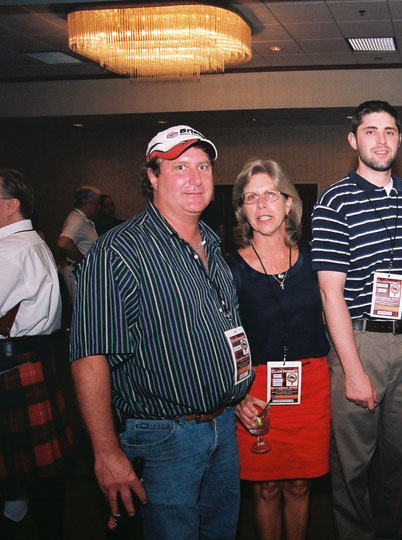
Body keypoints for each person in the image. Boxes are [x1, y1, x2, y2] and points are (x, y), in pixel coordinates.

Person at [70, 125, 254, 540]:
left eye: (203, 167)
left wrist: (236, 390)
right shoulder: (119, 250)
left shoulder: (211, 242)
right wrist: (106, 451)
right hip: (164, 439)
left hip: (222, 428)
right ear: (152, 176)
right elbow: (89, 356)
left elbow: (219, 330)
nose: (196, 178)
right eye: (180, 167)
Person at [311, 100, 402, 540]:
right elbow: (331, 294)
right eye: (370, 131)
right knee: (353, 460)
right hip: (359, 341)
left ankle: (391, 530)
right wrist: (352, 370)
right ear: (353, 139)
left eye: (389, 131)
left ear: (400, 139)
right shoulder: (333, 201)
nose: (381, 141)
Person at [228, 158, 330, 540]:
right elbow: (222, 338)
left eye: (270, 194)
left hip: (312, 387)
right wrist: (237, 395)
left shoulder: (315, 258)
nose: (261, 205)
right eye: (251, 197)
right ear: (242, 209)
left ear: (288, 203)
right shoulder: (229, 268)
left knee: (301, 485)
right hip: (255, 389)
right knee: (266, 487)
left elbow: (347, 301)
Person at [0, 168, 72, 539]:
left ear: (10, 205)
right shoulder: (32, 241)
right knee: (39, 472)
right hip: (32, 361)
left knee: (29, 470)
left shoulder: (11, 250)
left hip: (12, 366)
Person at [57, 185, 100, 302]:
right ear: (88, 203)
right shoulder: (77, 220)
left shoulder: (83, 220)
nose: (98, 207)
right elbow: (63, 243)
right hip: (78, 272)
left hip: (79, 271)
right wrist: (84, 260)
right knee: (84, 307)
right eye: (96, 204)